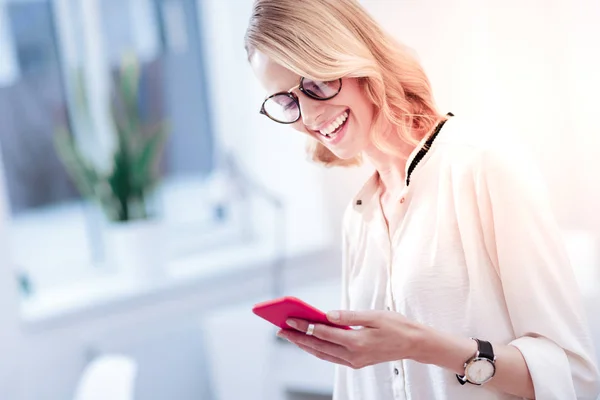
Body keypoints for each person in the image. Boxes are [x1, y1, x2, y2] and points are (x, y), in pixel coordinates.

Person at [244, 0, 600, 399]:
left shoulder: (483, 165)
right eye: (288, 101)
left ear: (358, 61)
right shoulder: (359, 217)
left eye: (317, 83)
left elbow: (572, 376)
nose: (309, 116)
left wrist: (421, 345)